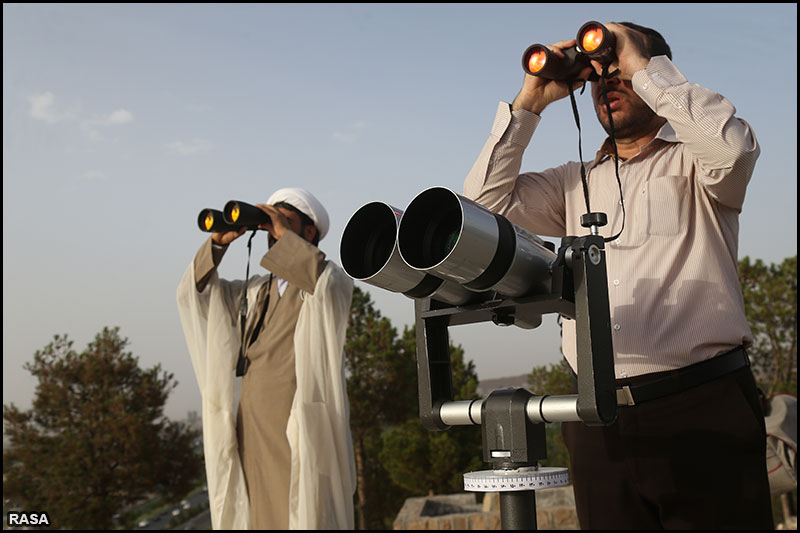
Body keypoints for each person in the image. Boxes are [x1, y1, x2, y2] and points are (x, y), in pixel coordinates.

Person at [463, 22, 774, 529]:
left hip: (702, 410)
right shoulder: (572, 181)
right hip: (596, 419)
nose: (609, 82)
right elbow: (479, 212)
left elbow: (733, 150)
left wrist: (640, 65)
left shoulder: (700, 164)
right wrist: (529, 104)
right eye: (598, 77)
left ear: (654, 73)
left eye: (621, 72)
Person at [177, 188, 356, 530]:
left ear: (308, 233)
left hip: (295, 428)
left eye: (285, 221)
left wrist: (282, 235)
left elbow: (323, 282)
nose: (272, 230)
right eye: (270, 221)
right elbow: (196, 296)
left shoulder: (326, 282)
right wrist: (218, 245)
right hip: (249, 429)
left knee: (298, 512)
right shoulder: (255, 289)